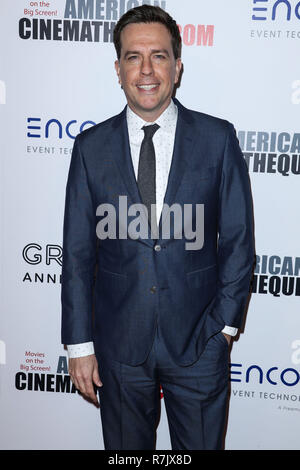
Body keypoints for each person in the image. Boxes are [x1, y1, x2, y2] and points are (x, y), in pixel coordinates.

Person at [61, 5, 254, 450]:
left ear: (178, 66)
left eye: (159, 56)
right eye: (133, 57)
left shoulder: (217, 138)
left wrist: (223, 328)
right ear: (118, 68)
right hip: (118, 346)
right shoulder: (90, 148)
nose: (146, 70)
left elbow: (239, 242)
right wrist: (78, 345)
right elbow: (76, 254)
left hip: (199, 344)